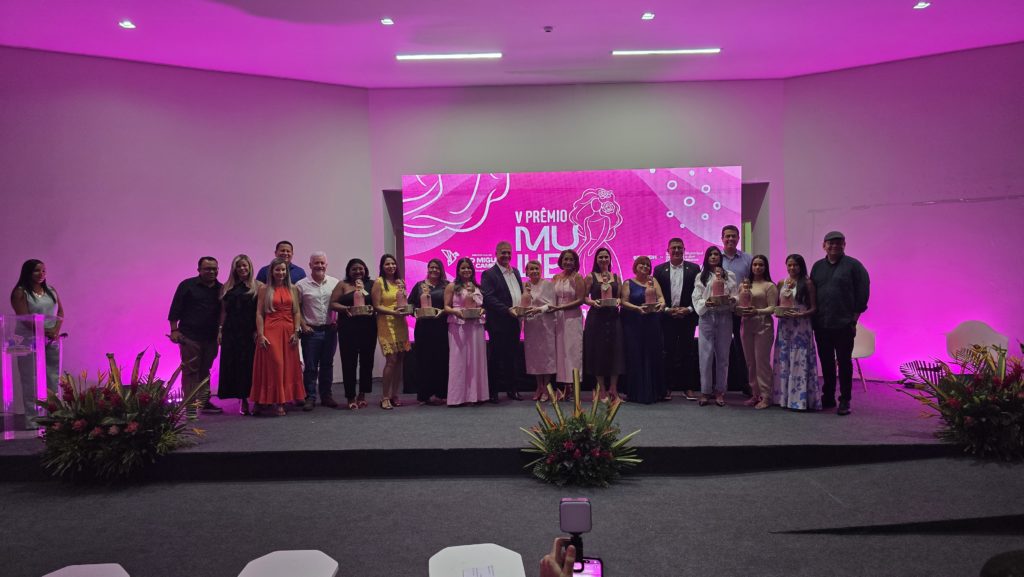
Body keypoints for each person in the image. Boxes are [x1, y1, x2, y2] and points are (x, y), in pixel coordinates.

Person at [810, 231, 870, 416]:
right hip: (822, 324)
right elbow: (812, 293)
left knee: (844, 363)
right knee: (826, 362)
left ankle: (845, 399)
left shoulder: (854, 266)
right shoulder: (817, 267)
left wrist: (854, 319)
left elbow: (862, 293)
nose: (834, 246)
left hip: (844, 324)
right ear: (824, 245)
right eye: (830, 243)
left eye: (838, 243)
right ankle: (828, 396)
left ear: (844, 245)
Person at [10, 259, 65, 423]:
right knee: (31, 378)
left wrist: (55, 331)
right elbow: (24, 317)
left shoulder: (51, 291)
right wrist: (45, 331)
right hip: (29, 339)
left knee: (53, 376)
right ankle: (33, 418)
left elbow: (60, 313)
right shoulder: (20, 292)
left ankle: (53, 415)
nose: (41, 274)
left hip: (51, 339)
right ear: (28, 272)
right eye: (36, 270)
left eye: (44, 271)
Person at [168, 256, 223, 417]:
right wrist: (174, 330)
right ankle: (190, 405)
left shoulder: (221, 289)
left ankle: (204, 402)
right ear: (199, 270)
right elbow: (175, 308)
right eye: (207, 269)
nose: (211, 271)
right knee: (190, 370)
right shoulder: (187, 285)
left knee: (205, 370)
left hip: (211, 337)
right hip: (190, 336)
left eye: (214, 269)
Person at [251, 257, 305, 416]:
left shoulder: (293, 288)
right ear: (271, 271)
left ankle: (281, 402)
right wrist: (261, 334)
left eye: (283, 270)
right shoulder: (264, 289)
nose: (280, 272)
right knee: (275, 365)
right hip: (270, 330)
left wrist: (296, 331)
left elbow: (296, 312)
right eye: (277, 270)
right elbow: (259, 313)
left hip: (289, 331)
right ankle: (265, 400)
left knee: (288, 366)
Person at [653, 237, 701, 401]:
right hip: (667, 318)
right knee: (668, 353)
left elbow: (698, 293)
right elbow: (656, 295)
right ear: (668, 251)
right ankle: (667, 387)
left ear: (684, 250)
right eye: (673, 248)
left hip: (687, 317)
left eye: (680, 248)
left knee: (688, 353)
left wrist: (688, 309)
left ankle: (688, 387)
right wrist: (667, 310)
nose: (676, 250)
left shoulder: (694, 269)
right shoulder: (659, 270)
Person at [773, 254, 821, 411]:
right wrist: (778, 313)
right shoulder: (782, 283)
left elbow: (814, 308)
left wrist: (801, 314)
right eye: (789, 265)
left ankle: (799, 400)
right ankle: (783, 398)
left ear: (801, 266)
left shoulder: (807, 283)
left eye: (795, 265)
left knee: (799, 359)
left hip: (801, 327)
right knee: (784, 358)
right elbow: (777, 306)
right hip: (785, 326)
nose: (792, 268)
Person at [693, 246, 738, 407]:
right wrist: (706, 303)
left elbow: (736, 295)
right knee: (705, 356)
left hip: (724, 316)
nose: (714, 256)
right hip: (707, 316)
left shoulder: (729, 275)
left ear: (721, 257)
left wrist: (733, 300)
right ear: (706, 257)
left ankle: (720, 391)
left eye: (716, 254)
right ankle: (705, 391)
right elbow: (696, 297)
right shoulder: (701, 276)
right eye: (711, 254)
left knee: (723, 355)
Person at [480, 241, 525, 402]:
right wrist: (507, 310)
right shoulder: (489, 274)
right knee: (496, 358)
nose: (506, 255)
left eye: (508, 253)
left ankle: (512, 390)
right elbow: (488, 297)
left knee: (512, 358)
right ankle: (493, 392)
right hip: (498, 323)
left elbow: (520, 293)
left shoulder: (516, 272)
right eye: (503, 253)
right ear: (496, 254)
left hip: (514, 321)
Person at [330, 258, 377, 410]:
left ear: (365, 270)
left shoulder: (372, 284)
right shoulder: (342, 285)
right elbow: (333, 303)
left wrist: (373, 308)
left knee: (367, 362)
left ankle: (362, 395)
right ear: (348, 271)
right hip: (348, 328)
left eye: (360, 268)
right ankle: (350, 396)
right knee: (348, 362)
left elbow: (377, 303)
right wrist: (346, 309)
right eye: (354, 269)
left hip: (368, 327)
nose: (357, 271)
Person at [295, 251, 340, 410]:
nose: (319, 265)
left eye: (322, 263)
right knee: (311, 366)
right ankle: (310, 397)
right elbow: (296, 308)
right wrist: (303, 325)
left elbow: (339, 304)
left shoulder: (334, 283)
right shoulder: (301, 285)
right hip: (311, 332)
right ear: (310, 265)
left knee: (327, 365)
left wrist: (337, 321)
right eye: (316, 263)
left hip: (330, 331)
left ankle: (326, 396)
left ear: (326, 265)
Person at [217, 254, 261, 416]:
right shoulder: (226, 287)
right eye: (239, 266)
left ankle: (257, 399)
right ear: (234, 269)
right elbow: (223, 311)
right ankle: (242, 399)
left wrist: (259, 331)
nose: (242, 268)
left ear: (250, 267)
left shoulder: (258, 286)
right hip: (231, 331)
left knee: (252, 366)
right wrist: (220, 330)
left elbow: (261, 312)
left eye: (245, 265)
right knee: (236, 365)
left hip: (250, 332)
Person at [619, 256, 665, 404]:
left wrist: (661, 306)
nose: (645, 267)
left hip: (652, 323)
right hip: (634, 324)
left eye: (647, 265)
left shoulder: (653, 281)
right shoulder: (628, 283)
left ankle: (654, 392)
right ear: (635, 267)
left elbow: (661, 299)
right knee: (636, 355)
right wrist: (637, 308)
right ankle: (636, 392)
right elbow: (624, 302)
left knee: (652, 355)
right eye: (642, 264)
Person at [444, 257, 489, 406]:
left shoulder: (477, 286)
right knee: (459, 360)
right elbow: (446, 307)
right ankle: (457, 398)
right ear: (458, 270)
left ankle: (476, 396)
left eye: (468, 267)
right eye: (463, 268)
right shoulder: (452, 286)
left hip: (475, 325)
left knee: (476, 359)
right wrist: (457, 312)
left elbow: (481, 305)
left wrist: (482, 310)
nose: (466, 270)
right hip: (458, 325)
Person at [582, 247, 625, 401]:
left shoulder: (616, 277)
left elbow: (620, 297)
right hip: (596, 319)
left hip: (613, 318)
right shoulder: (590, 277)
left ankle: (613, 389)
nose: (603, 259)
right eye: (600, 257)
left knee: (616, 352)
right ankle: (602, 390)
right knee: (598, 353)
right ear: (596, 259)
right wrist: (593, 303)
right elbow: (584, 297)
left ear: (610, 259)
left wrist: (619, 301)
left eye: (606, 257)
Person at [737, 255, 778, 410]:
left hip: (763, 326)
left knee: (762, 362)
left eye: (761, 265)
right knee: (750, 362)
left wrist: (757, 311)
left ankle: (766, 396)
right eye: (755, 264)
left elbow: (772, 308)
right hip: (746, 325)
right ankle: (755, 394)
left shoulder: (769, 286)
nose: (757, 267)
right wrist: (736, 307)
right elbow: (740, 303)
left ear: (765, 267)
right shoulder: (745, 285)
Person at [372, 254, 411, 410]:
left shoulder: (400, 282)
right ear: (382, 266)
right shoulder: (379, 282)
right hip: (386, 323)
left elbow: (403, 303)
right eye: (387, 264)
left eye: (393, 264)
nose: (391, 267)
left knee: (400, 359)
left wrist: (406, 309)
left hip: (401, 324)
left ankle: (395, 395)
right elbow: (376, 306)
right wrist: (393, 312)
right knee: (391, 360)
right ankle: (385, 397)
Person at [411, 258, 449, 405]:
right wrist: (415, 312)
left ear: (441, 270)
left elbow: (451, 305)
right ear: (427, 269)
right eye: (431, 267)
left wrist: (443, 312)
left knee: (441, 360)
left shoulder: (446, 285)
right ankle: (424, 395)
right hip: (423, 329)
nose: (434, 270)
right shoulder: (419, 286)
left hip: (441, 328)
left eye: (437, 268)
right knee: (424, 360)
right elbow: (411, 304)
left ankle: (441, 393)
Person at [720, 225, 752, 395]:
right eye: (727, 236)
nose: (730, 239)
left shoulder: (748, 259)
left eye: (734, 236)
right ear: (722, 239)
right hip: (722, 310)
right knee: (721, 348)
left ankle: (747, 384)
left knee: (743, 348)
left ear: (739, 238)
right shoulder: (716, 258)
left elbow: (753, 283)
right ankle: (720, 386)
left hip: (741, 311)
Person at [550, 249, 586, 399]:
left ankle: (574, 387)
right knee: (561, 353)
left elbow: (581, 300)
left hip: (573, 317)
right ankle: (565, 387)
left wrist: (561, 307)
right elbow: (551, 297)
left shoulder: (578, 277)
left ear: (575, 262)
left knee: (573, 352)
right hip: (558, 318)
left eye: (571, 259)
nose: (568, 262)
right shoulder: (555, 277)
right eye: (566, 259)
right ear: (561, 261)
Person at [522, 260, 557, 401]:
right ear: (527, 272)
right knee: (535, 357)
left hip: (546, 324)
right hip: (531, 325)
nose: (534, 271)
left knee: (547, 356)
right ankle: (539, 387)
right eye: (531, 269)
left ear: (541, 270)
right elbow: (522, 304)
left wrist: (540, 309)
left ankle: (547, 387)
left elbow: (553, 304)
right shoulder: (525, 286)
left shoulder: (548, 284)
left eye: (537, 268)